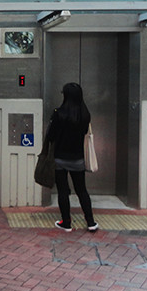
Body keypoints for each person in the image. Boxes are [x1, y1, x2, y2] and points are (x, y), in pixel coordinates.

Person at [45, 82, 99, 232]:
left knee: (63, 191)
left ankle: (66, 223)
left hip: (60, 159)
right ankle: (90, 222)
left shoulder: (59, 113)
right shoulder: (85, 114)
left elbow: (50, 136)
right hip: (78, 159)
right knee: (82, 190)